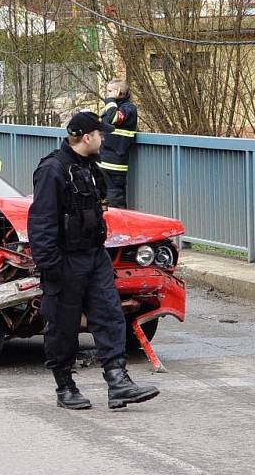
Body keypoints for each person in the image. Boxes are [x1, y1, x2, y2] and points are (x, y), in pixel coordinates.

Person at [27, 110, 159, 410]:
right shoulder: (53, 169)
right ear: (86, 137)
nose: (103, 138)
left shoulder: (89, 167)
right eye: (100, 134)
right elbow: (42, 222)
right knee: (63, 325)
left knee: (110, 315)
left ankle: (118, 382)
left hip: (94, 256)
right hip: (64, 260)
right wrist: (51, 266)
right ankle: (65, 385)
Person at [100, 79, 137, 208]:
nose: (107, 95)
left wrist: (110, 101)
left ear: (119, 92)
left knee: (115, 202)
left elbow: (113, 118)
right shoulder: (113, 107)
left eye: (110, 91)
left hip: (115, 165)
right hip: (102, 162)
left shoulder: (129, 109)